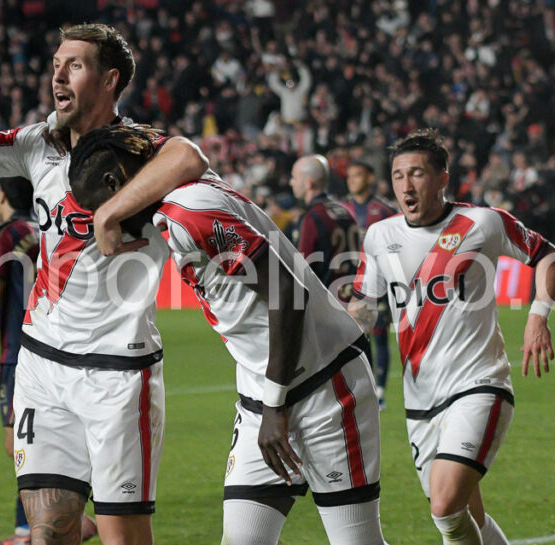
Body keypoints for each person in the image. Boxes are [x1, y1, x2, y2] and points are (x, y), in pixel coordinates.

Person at [0, 23, 208, 545]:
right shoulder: (35, 145)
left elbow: (190, 156)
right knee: (48, 534)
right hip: (43, 365)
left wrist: (111, 209)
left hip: (119, 373)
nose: (57, 77)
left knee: (122, 535)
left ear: (109, 80)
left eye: (74, 65)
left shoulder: (137, 151)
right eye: (55, 66)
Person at [68, 124, 387, 545]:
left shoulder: (189, 210)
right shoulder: (179, 199)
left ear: (116, 184)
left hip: (325, 386)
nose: (106, 221)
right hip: (263, 393)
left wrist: (275, 406)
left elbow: (286, 291)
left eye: (101, 207)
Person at [348, 129, 555, 545]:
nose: (406, 185)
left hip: (478, 386)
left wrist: (539, 316)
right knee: (468, 516)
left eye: (417, 174)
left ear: (443, 179)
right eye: (397, 176)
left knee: (445, 507)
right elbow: (364, 306)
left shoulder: (482, 222)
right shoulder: (379, 236)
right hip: (419, 402)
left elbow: (548, 255)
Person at [0, 179, 99, 545]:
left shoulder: (5, 236)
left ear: (1, 197)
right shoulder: (44, 229)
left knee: (19, 444)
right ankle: (38, 526)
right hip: (55, 346)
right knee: (35, 440)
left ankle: (45, 526)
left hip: (18, 351)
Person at [341, 161, 399, 408]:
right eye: (349, 175)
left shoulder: (384, 209)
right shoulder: (342, 209)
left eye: (357, 175)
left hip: (379, 282)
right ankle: (362, 388)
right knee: (355, 336)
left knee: (379, 335)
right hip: (350, 283)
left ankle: (381, 391)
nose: (352, 180)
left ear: (370, 178)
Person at [287, 154, 362, 301]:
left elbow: (301, 271)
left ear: (309, 183)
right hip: (350, 300)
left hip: (325, 305)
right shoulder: (346, 211)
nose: (291, 182)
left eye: (294, 177)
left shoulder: (312, 217)